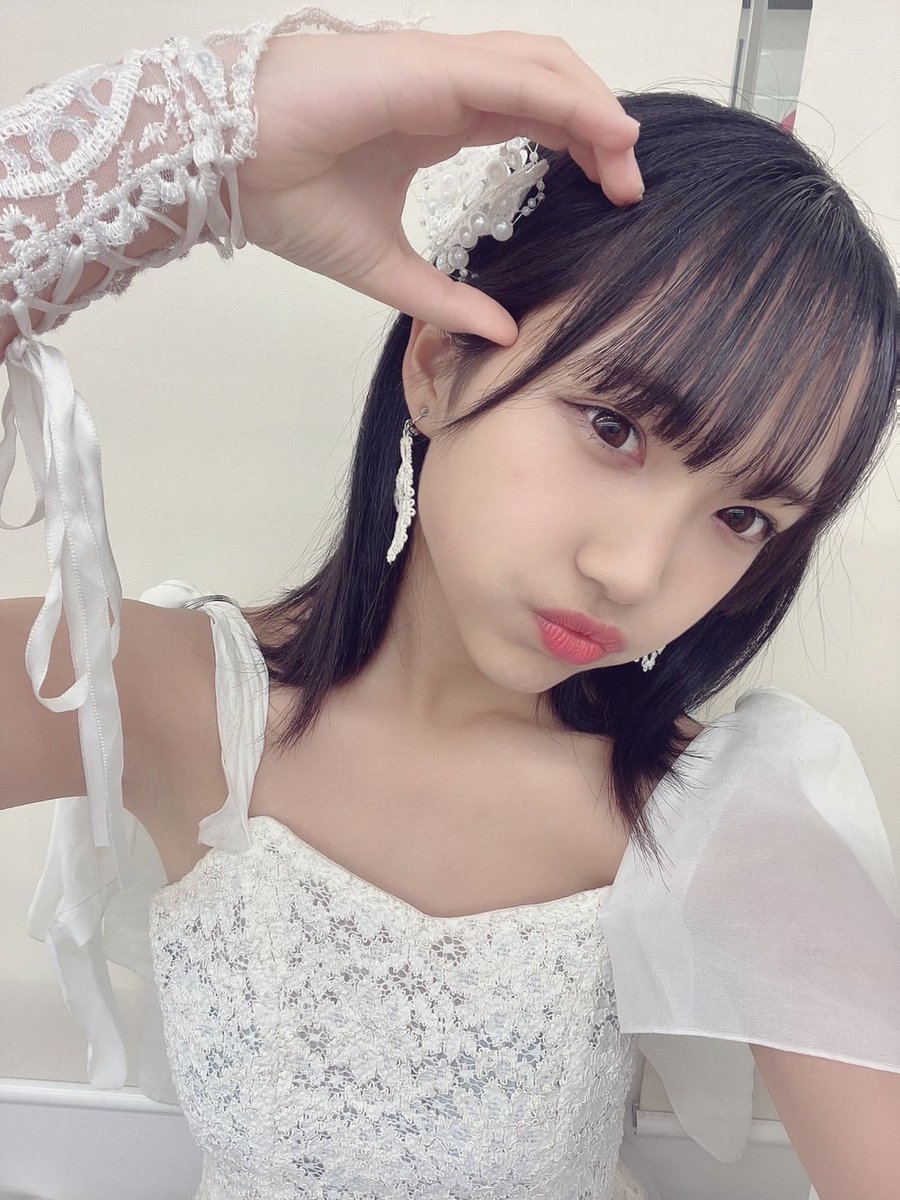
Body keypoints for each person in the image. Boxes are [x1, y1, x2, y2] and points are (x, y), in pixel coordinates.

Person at [1, 7, 898, 1200]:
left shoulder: (721, 818)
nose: (636, 572)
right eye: (615, 427)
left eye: (743, 517)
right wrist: (199, 140)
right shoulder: (150, 694)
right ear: (435, 365)